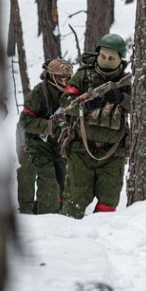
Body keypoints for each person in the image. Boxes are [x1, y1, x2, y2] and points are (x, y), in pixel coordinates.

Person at [59, 33, 131, 219]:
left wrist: (123, 99)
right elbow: (65, 101)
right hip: (81, 150)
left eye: (111, 58)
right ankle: (68, 237)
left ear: (119, 59)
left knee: (108, 203)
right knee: (75, 201)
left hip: (113, 154)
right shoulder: (83, 76)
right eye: (103, 56)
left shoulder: (128, 81)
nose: (106, 61)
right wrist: (84, 105)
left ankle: (98, 243)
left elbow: (143, 108)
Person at [18, 58, 74, 214]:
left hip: (58, 143)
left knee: (64, 179)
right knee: (48, 184)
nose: (64, 82)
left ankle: (62, 215)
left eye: (66, 78)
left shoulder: (71, 93)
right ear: (50, 77)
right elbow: (24, 121)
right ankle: (45, 218)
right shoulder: (38, 94)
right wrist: (49, 124)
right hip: (35, 142)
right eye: (60, 78)